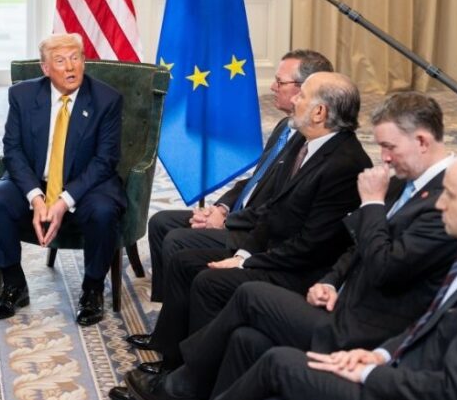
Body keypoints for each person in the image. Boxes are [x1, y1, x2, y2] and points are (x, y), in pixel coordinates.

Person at [115, 92, 457, 400]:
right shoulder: (405, 180)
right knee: (245, 338)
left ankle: (183, 386)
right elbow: (355, 248)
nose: (383, 157)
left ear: (421, 141)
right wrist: (331, 282)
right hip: (339, 300)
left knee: (250, 295)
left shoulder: (447, 199)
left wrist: (371, 203)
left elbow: (387, 266)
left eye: (389, 147)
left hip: (367, 329)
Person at [200, 150, 457, 400]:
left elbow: (452, 394)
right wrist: (380, 354)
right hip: (406, 379)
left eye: (450, 196)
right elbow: (428, 326)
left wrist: (368, 373)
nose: (439, 204)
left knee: (278, 362)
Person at [129, 72, 371, 366]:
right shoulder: (304, 142)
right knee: (184, 261)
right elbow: (272, 210)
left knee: (209, 281)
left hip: (299, 270)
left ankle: (193, 377)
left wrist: (245, 262)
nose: (294, 99)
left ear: (320, 112)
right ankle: (173, 357)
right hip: (272, 248)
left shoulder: (344, 163)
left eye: (302, 95)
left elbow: (311, 246)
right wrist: (244, 252)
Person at [146, 50, 333, 303]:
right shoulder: (285, 126)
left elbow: (279, 204)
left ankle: (180, 316)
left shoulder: (307, 142)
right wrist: (222, 208)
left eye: (280, 82)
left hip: (254, 230)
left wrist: (228, 222)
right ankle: (170, 306)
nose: (273, 87)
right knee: (161, 222)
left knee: (178, 242)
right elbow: (255, 180)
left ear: (304, 89)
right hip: (239, 215)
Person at [0, 32, 124, 327]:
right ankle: (14, 283)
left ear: (84, 61)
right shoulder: (23, 95)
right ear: (45, 68)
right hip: (36, 181)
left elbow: (104, 161)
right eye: (60, 61)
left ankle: (92, 289)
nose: (70, 67)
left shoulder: (107, 100)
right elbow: (13, 150)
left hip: (86, 185)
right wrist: (35, 196)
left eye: (75, 58)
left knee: (104, 211)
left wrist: (62, 202)